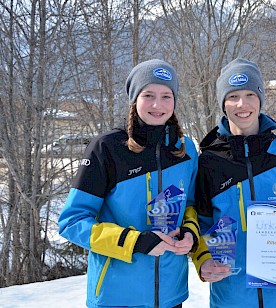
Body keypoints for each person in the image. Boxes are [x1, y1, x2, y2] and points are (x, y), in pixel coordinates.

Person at [58, 59, 200, 308]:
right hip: (117, 296)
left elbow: (191, 205)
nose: (158, 105)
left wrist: (190, 233)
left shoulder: (186, 149)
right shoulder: (107, 148)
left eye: (167, 96)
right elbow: (73, 222)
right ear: (135, 99)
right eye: (149, 95)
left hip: (171, 294)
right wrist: (135, 242)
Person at [191, 58, 276, 308]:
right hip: (230, 298)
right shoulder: (209, 162)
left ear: (261, 99)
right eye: (232, 96)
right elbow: (201, 223)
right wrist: (203, 260)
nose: (242, 104)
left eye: (250, 95)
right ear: (223, 103)